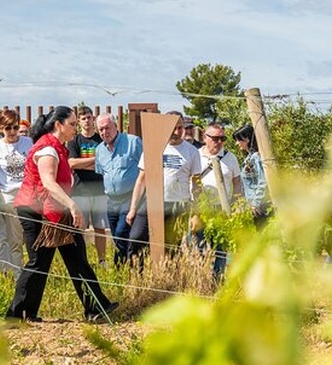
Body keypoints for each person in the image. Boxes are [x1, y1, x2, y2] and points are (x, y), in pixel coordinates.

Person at [6, 106, 117, 323]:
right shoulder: (47, 149)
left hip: (56, 210)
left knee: (77, 257)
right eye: (73, 124)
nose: (77, 127)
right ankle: (16, 315)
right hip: (37, 211)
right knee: (38, 262)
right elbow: (48, 183)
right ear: (59, 125)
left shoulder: (58, 147)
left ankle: (95, 308)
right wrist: (73, 206)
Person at [127, 111, 202, 256]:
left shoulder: (192, 151)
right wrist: (133, 208)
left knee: (171, 248)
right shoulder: (153, 147)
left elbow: (197, 183)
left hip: (178, 205)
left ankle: (166, 277)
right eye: (172, 128)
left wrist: (196, 212)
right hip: (152, 202)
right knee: (136, 239)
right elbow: (142, 179)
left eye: (180, 128)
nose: (176, 132)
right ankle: (137, 276)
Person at [0, 109, 33, 276]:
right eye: (8, 128)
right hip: (8, 194)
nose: (12, 132)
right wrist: (1, 198)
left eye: (14, 127)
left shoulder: (28, 142)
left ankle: (21, 271)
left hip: (28, 193)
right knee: (13, 238)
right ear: (1, 128)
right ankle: (17, 274)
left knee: (28, 235)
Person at [94, 113, 145, 266]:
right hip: (111, 201)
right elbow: (103, 173)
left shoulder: (133, 142)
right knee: (117, 238)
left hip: (130, 198)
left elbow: (144, 168)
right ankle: (127, 267)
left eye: (107, 128)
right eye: (101, 129)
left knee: (122, 233)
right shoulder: (99, 150)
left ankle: (120, 266)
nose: (104, 132)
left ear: (116, 126)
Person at [194, 122, 243, 279]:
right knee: (199, 246)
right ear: (205, 138)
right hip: (200, 210)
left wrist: (235, 205)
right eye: (215, 138)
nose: (219, 142)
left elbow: (237, 182)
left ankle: (217, 280)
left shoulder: (230, 158)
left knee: (221, 248)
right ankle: (200, 281)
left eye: (222, 138)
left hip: (223, 209)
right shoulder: (195, 156)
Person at [67, 105, 108, 265]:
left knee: (100, 227)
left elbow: (105, 163)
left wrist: (84, 163)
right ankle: (80, 260)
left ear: (93, 118)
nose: (87, 121)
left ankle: (102, 260)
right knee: (79, 228)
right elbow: (72, 163)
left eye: (89, 117)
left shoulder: (101, 139)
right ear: (78, 121)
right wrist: (95, 160)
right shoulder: (74, 141)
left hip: (99, 189)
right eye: (83, 118)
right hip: (80, 190)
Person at [233, 124, 270, 228]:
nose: (236, 143)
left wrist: (255, 204)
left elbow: (262, 182)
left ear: (247, 139)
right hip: (252, 207)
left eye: (238, 140)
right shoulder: (248, 158)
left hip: (260, 208)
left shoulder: (256, 158)